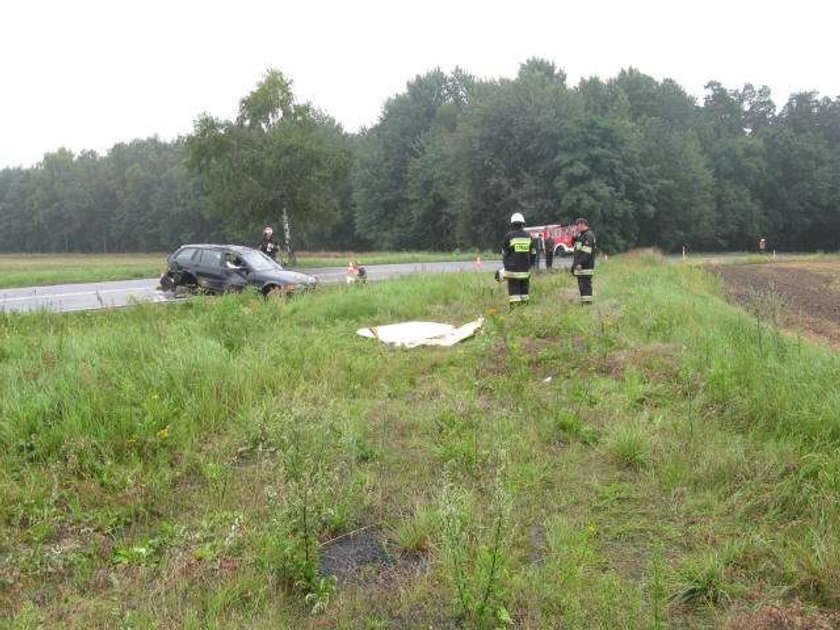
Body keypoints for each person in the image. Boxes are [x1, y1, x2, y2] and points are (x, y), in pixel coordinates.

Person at [501, 212, 535, 307]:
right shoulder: (528, 236)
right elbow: (533, 252)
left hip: (512, 270)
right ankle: (525, 308)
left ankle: (515, 311)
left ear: (512, 223)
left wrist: (506, 264)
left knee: (514, 292)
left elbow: (504, 251)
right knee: (524, 291)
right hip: (525, 269)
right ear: (523, 223)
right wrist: (530, 264)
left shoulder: (509, 236)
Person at [571, 217, 596, 305]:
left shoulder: (588, 235)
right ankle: (584, 304)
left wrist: (580, 263)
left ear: (582, 224)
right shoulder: (581, 235)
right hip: (581, 267)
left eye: (577, 225)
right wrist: (574, 236)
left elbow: (586, 253)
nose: (577, 227)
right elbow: (575, 246)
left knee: (585, 287)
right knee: (582, 287)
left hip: (585, 267)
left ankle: (587, 305)